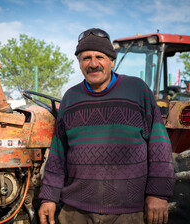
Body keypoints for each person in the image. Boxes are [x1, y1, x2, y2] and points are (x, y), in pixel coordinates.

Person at [38, 28, 175, 224]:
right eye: (86, 58)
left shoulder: (137, 91)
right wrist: (49, 197)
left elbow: (159, 144)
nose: (93, 64)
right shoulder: (70, 98)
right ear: (79, 63)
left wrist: (158, 193)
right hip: (75, 212)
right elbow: (58, 153)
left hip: (128, 213)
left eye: (99, 57)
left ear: (111, 60)